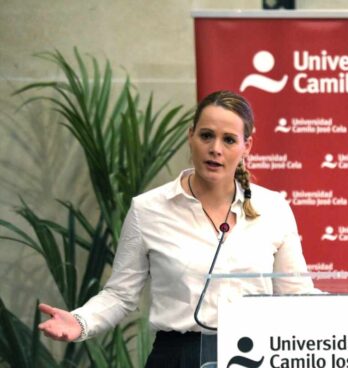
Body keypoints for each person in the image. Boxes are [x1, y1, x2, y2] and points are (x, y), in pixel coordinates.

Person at [37, 90, 311, 367]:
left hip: (256, 354)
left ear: (246, 147)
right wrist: (80, 321)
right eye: (206, 135)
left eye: (229, 140)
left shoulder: (273, 208)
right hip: (178, 356)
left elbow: (296, 294)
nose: (215, 148)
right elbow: (120, 294)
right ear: (190, 135)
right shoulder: (148, 209)